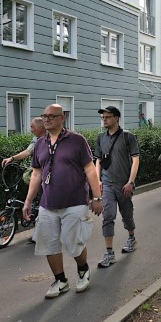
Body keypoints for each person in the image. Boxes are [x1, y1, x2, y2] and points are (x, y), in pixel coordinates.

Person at [23, 104, 103, 298]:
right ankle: (60, 280)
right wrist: (28, 201)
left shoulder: (76, 140)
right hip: (47, 203)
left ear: (62, 118)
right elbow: (36, 174)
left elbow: (90, 169)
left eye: (52, 116)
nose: (47, 119)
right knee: (48, 244)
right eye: (44, 116)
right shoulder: (40, 144)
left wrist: (96, 197)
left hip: (75, 201)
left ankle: (83, 271)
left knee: (73, 242)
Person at [95, 106, 140, 268]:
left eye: (107, 117)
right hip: (107, 183)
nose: (104, 120)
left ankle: (131, 237)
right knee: (108, 216)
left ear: (116, 118)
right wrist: (98, 181)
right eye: (103, 117)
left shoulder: (128, 137)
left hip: (123, 184)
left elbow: (135, 160)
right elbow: (98, 160)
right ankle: (109, 253)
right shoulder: (100, 138)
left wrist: (130, 182)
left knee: (127, 215)